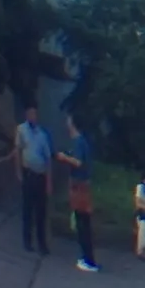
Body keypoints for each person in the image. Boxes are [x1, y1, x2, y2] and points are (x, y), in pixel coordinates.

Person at [57, 113, 99, 272]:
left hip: (80, 186)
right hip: (80, 185)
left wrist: (64, 158)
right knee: (82, 222)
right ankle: (87, 257)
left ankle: (89, 260)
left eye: (68, 120)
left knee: (82, 223)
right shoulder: (82, 141)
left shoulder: (78, 142)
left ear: (72, 123)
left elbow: (79, 162)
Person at [13, 105, 54, 257]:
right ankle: (27, 241)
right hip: (28, 174)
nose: (33, 116)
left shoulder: (42, 134)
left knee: (41, 212)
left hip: (40, 176)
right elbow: (17, 151)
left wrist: (49, 182)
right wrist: (18, 172)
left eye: (35, 114)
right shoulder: (21, 130)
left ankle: (42, 243)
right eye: (30, 113)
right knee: (27, 210)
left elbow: (48, 159)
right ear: (26, 114)